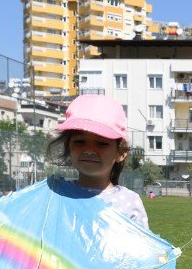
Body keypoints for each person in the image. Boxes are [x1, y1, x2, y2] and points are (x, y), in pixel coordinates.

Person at [47, 94, 148, 227]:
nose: (89, 150)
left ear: (121, 153)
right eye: (80, 142)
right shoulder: (55, 192)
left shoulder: (129, 202)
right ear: (68, 148)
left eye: (101, 143)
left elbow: (141, 246)